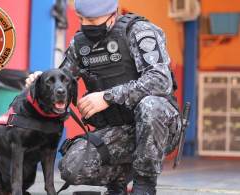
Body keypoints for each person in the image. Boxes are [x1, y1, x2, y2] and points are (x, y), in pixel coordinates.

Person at [25, 0, 181, 194]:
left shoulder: (139, 31)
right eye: (82, 19)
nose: (86, 25)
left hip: (160, 127)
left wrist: (107, 97)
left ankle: (145, 185)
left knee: (150, 106)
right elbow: (63, 79)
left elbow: (160, 80)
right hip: (118, 129)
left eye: (92, 19)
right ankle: (118, 182)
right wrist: (41, 81)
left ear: (112, 14)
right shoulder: (80, 43)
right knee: (71, 167)